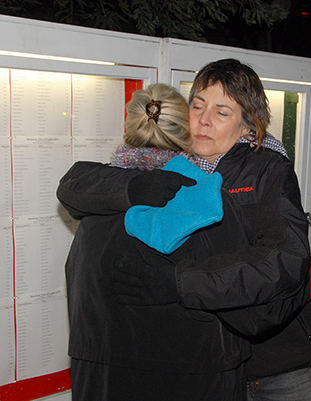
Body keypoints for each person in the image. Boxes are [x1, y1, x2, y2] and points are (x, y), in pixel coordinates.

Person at [57, 59, 311, 400]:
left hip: (278, 363)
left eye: (222, 112)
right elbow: (76, 185)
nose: (204, 120)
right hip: (218, 358)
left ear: (247, 126)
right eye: (198, 106)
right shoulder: (175, 168)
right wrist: (134, 187)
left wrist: (181, 283)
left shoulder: (269, 171)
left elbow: (284, 262)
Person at [61, 83, 256, 400]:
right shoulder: (209, 203)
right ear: (188, 131)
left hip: (102, 378)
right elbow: (243, 296)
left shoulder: (95, 204)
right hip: (193, 379)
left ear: (130, 128)